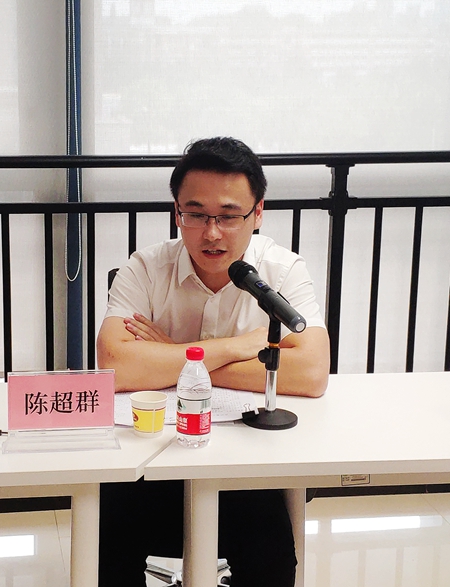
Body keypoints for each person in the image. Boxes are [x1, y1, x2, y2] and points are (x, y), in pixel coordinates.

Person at [96, 137, 330, 587]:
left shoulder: (281, 272)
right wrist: (238, 346)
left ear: (258, 213)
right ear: (176, 212)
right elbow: (114, 363)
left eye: (228, 215)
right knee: (104, 540)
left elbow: (312, 372)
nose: (212, 233)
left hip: (248, 466)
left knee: (271, 557)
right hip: (151, 460)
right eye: (196, 214)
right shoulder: (145, 268)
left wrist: (174, 354)